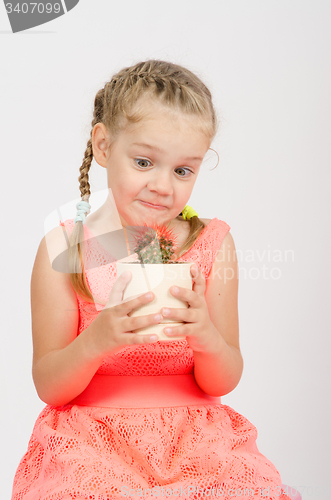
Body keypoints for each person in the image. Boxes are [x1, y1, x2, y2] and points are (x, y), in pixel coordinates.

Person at [11, 60, 291, 500]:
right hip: (92, 442)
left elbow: (223, 379)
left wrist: (205, 337)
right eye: (144, 162)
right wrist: (96, 340)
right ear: (103, 146)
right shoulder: (65, 249)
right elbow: (49, 384)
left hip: (195, 441)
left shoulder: (212, 244)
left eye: (183, 170)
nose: (163, 186)